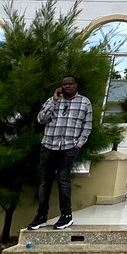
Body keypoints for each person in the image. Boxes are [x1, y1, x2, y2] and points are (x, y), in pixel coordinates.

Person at [27, 75, 92, 231]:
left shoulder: (84, 102)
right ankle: (41, 216)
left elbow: (87, 125)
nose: (67, 86)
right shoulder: (53, 100)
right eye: (64, 84)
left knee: (63, 180)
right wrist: (54, 101)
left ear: (76, 85)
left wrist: (78, 144)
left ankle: (66, 216)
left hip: (69, 147)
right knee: (45, 182)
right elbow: (41, 119)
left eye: (70, 84)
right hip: (49, 145)